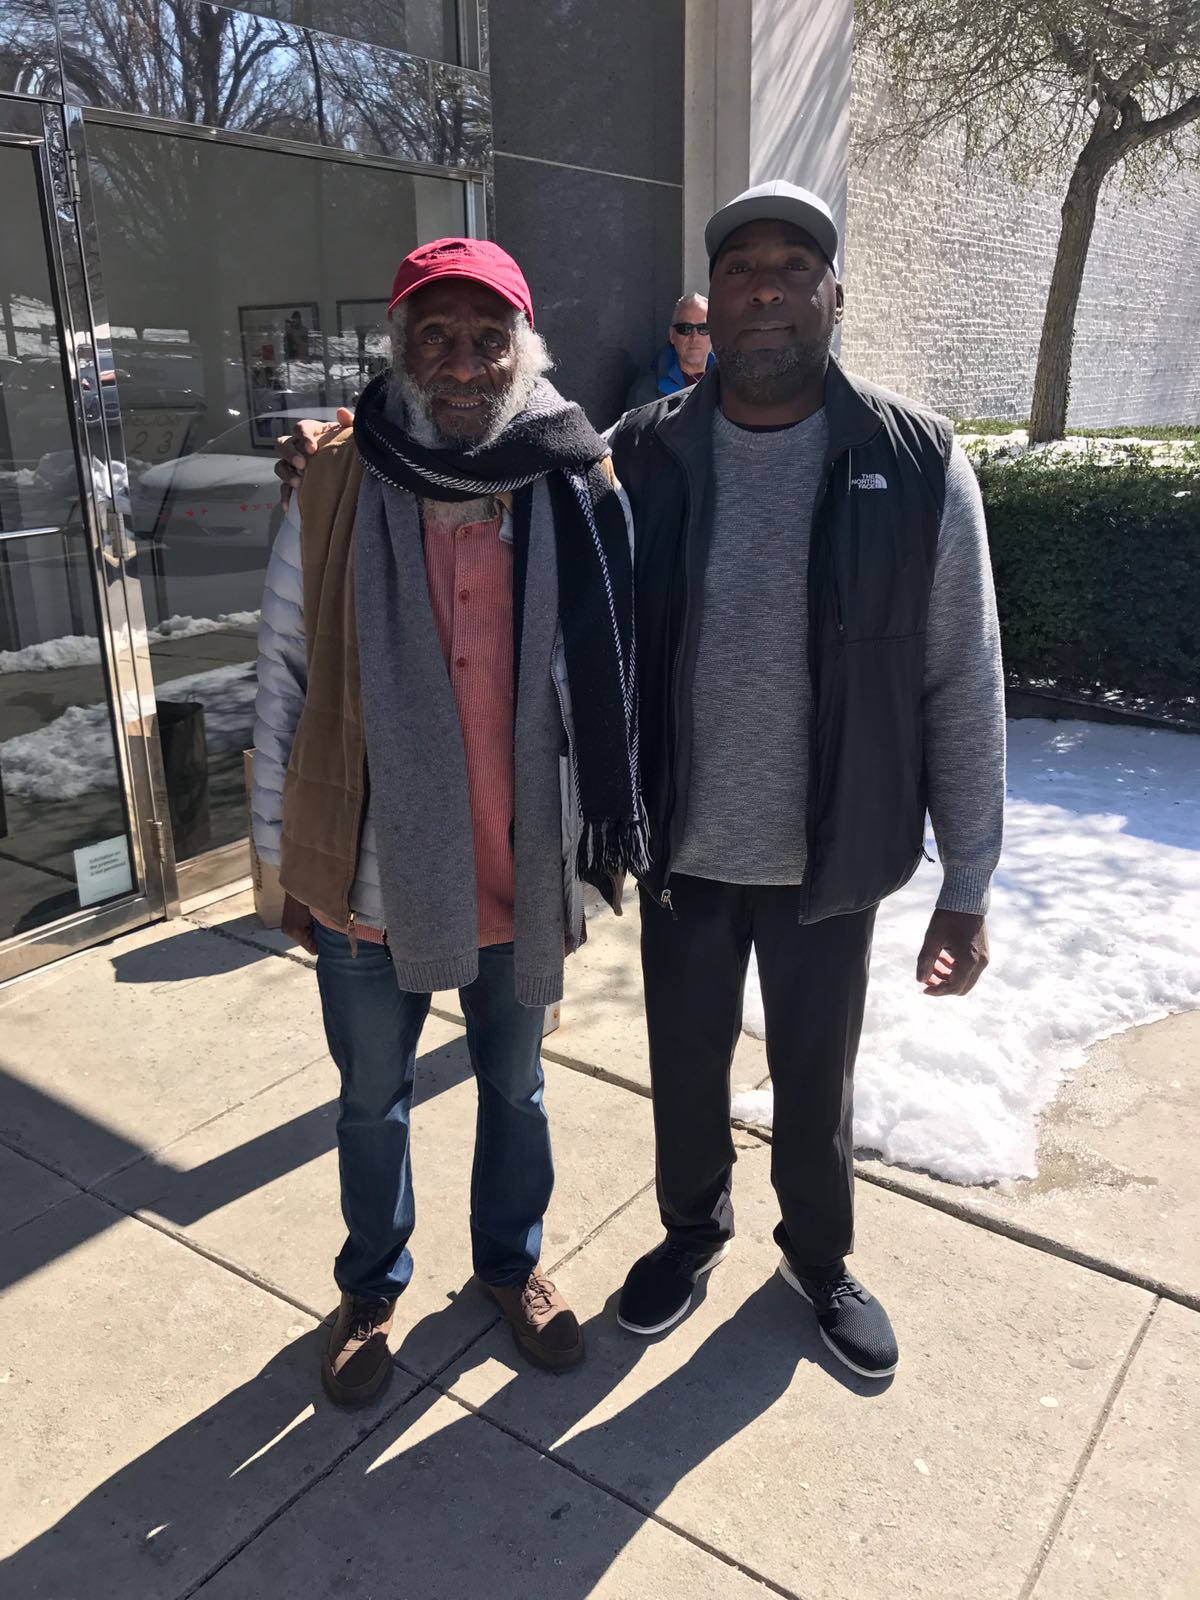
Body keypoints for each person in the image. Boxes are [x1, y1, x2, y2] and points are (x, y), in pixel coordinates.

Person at [606, 180, 1005, 1379]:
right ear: (710, 304)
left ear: (835, 295)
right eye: (740, 269)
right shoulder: (642, 454)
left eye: (794, 266)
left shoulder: (916, 459)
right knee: (683, 1065)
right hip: (682, 840)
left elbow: (961, 676)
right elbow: (570, 629)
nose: (766, 287)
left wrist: (969, 878)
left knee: (816, 1078)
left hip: (833, 850)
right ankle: (691, 1231)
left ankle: (819, 1257)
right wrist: (356, 445)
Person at [253, 236, 644, 1405]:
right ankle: (371, 1285)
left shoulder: (574, 478)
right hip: (368, 873)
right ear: (401, 350)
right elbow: (282, 672)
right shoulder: (334, 477)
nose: (463, 362)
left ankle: (508, 1266)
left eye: (488, 338)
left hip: (513, 860)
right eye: (436, 336)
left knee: (516, 1088)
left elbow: (613, 666)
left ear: (525, 350)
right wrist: (285, 863)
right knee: (372, 1096)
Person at [625, 293, 715, 409]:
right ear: (672, 335)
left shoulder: (730, 384)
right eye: (685, 328)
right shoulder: (645, 394)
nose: (694, 337)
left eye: (703, 328)